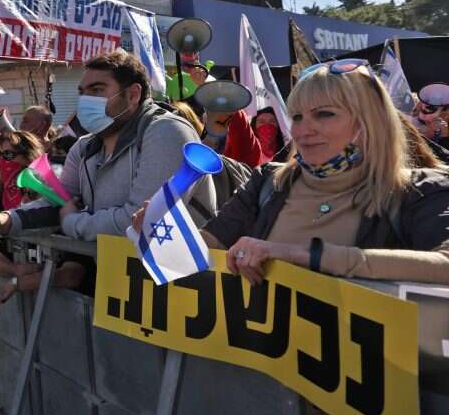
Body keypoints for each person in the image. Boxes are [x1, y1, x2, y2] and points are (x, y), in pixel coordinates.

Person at [136, 59, 449, 285]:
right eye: (297, 117)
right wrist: (164, 236)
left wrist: (303, 255)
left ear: (370, 123)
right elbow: (208, 248)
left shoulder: (421, 190)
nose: (303, 129)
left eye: (324, 114)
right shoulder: (268, 182)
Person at [0, 51, 217, 305]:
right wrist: (6, 220)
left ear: (133, 95)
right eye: (83, 92)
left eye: (97, 90)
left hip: (182, 295)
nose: (86, 100)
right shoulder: (84, 147)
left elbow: (139, 223)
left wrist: (73, 222)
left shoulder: (166, 132)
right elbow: (58, 201)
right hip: (121, 293)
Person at [0, 130, 44, 210]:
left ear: (27, 152)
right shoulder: (3, 184)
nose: (3, 159)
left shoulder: (41, 179)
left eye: (8, 154)